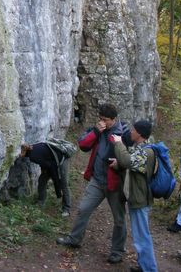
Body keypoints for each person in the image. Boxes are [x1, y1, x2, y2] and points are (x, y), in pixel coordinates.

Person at [56, 103, 126, 265]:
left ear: (114, 119)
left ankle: (117, 251)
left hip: (115, 183)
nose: (102, 122)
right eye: (100, 119)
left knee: (119, 219)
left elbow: (128, 158)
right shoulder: (98, 130)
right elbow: (83, 145)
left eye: (105, 120)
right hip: (97, 180)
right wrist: (96, 131)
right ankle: (75, 239)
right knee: (83, 209)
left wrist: (120, 163)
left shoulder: (123, 133)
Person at [110, 120, 158, 272]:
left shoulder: (146, 151)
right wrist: (118, 164)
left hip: (140, 199)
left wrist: (118, 143)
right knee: (140, 236)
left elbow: (127, 161)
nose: (130, 131)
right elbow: (130, 165)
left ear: (140, 133)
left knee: (142, 237)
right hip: (137, 197)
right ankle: (144, 266)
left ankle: (149, 269)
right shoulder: (141, 148)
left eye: (133, 129)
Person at [21, 141, 71, 217]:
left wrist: (57, 186)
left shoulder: (33, 156)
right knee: (42, 181)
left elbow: (51, 167)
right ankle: (41, 202)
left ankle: (66, 208)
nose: (20, 155)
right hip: (51, 161)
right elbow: (46, 161)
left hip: (62, 159)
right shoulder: (32, 148)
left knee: (63, 184)